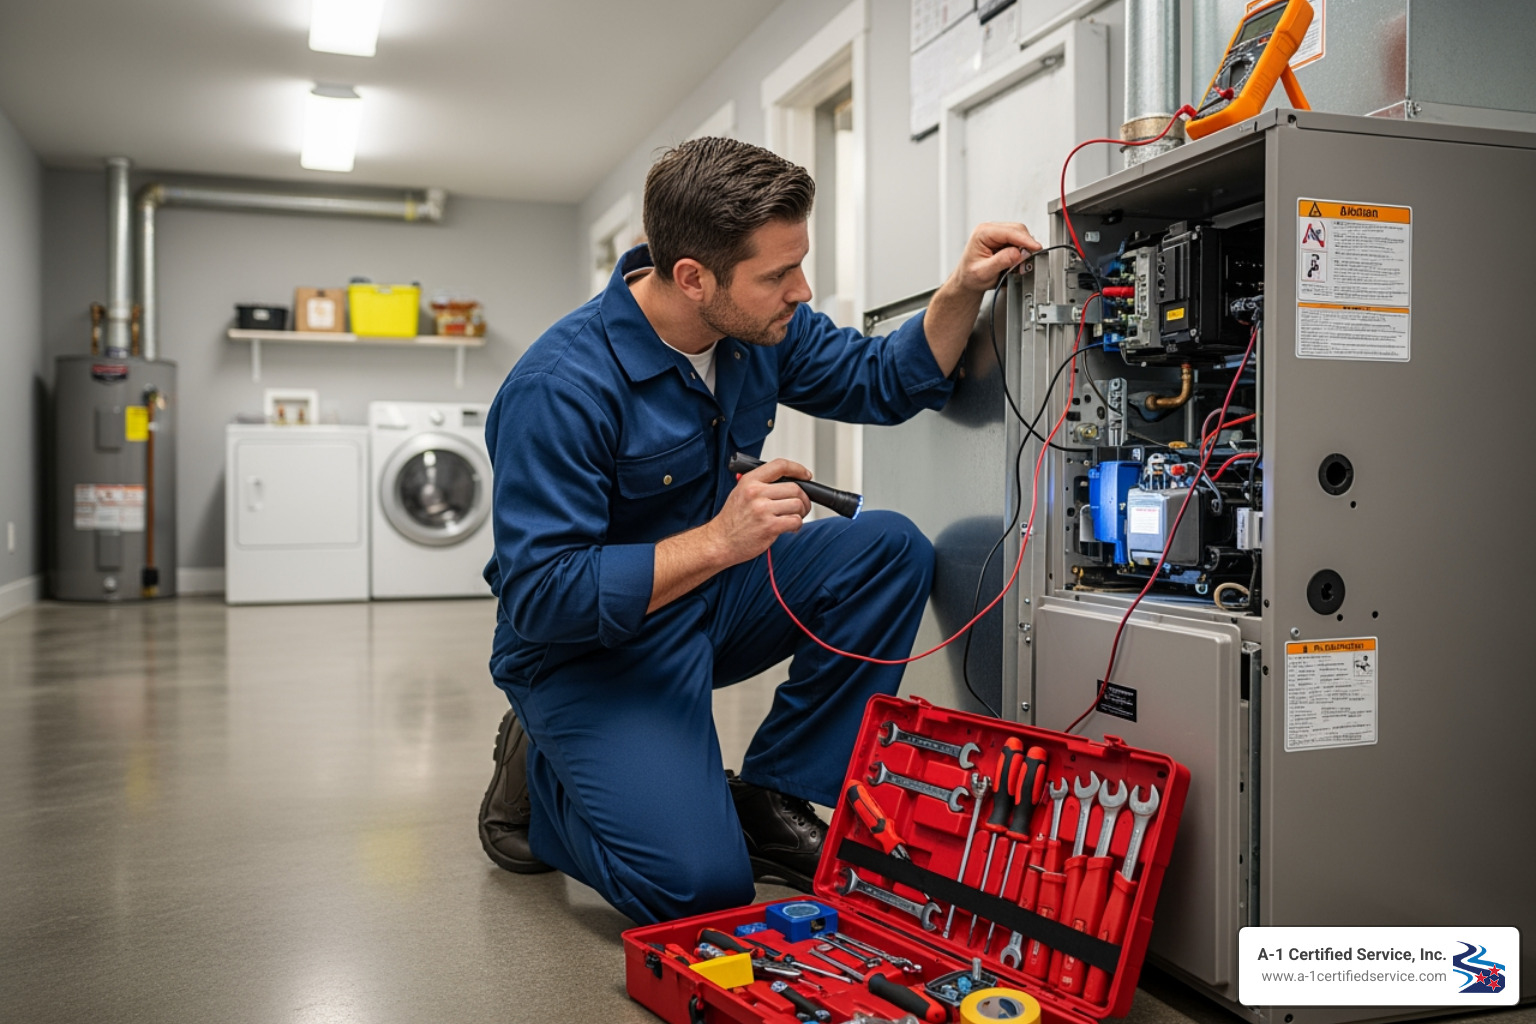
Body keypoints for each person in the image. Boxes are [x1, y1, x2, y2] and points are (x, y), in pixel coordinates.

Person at [478, 136, 1038, 925]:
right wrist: (721, 538)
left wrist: (961, 289)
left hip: (708, 605)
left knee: (887, 550)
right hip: (589, 650)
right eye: (778, 275)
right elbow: (543, 598)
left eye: (799, 263)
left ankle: (777, 794)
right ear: (692, 278)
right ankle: (541, 784)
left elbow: (882, 379)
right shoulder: (560, 387)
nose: (802, 291)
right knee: (698, 889)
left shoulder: (751, 331)